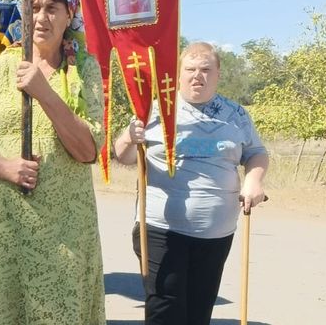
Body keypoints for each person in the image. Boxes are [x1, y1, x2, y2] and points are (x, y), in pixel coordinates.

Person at [0, 0, 106, 325]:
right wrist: (6, 167)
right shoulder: (4, 66)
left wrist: (44, 91)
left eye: (52, 8)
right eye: (33, 8)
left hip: (64, 234)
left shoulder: (83, 68)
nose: (41, 17)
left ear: (69, 14)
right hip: (4, 226)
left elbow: (88, 150)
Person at [114, 41, 269, 325]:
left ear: (218, 74)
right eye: (190, 69)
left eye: (206, 69)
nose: (198, 76)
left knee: (199, 310)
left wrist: (254, 181)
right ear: (178, 73)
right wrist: (128, 137)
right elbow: (124, 157)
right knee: (165, 310)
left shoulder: (236, 115)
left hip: (216, 233)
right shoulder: (154, 110)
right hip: (160, 229)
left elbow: (256, 153)